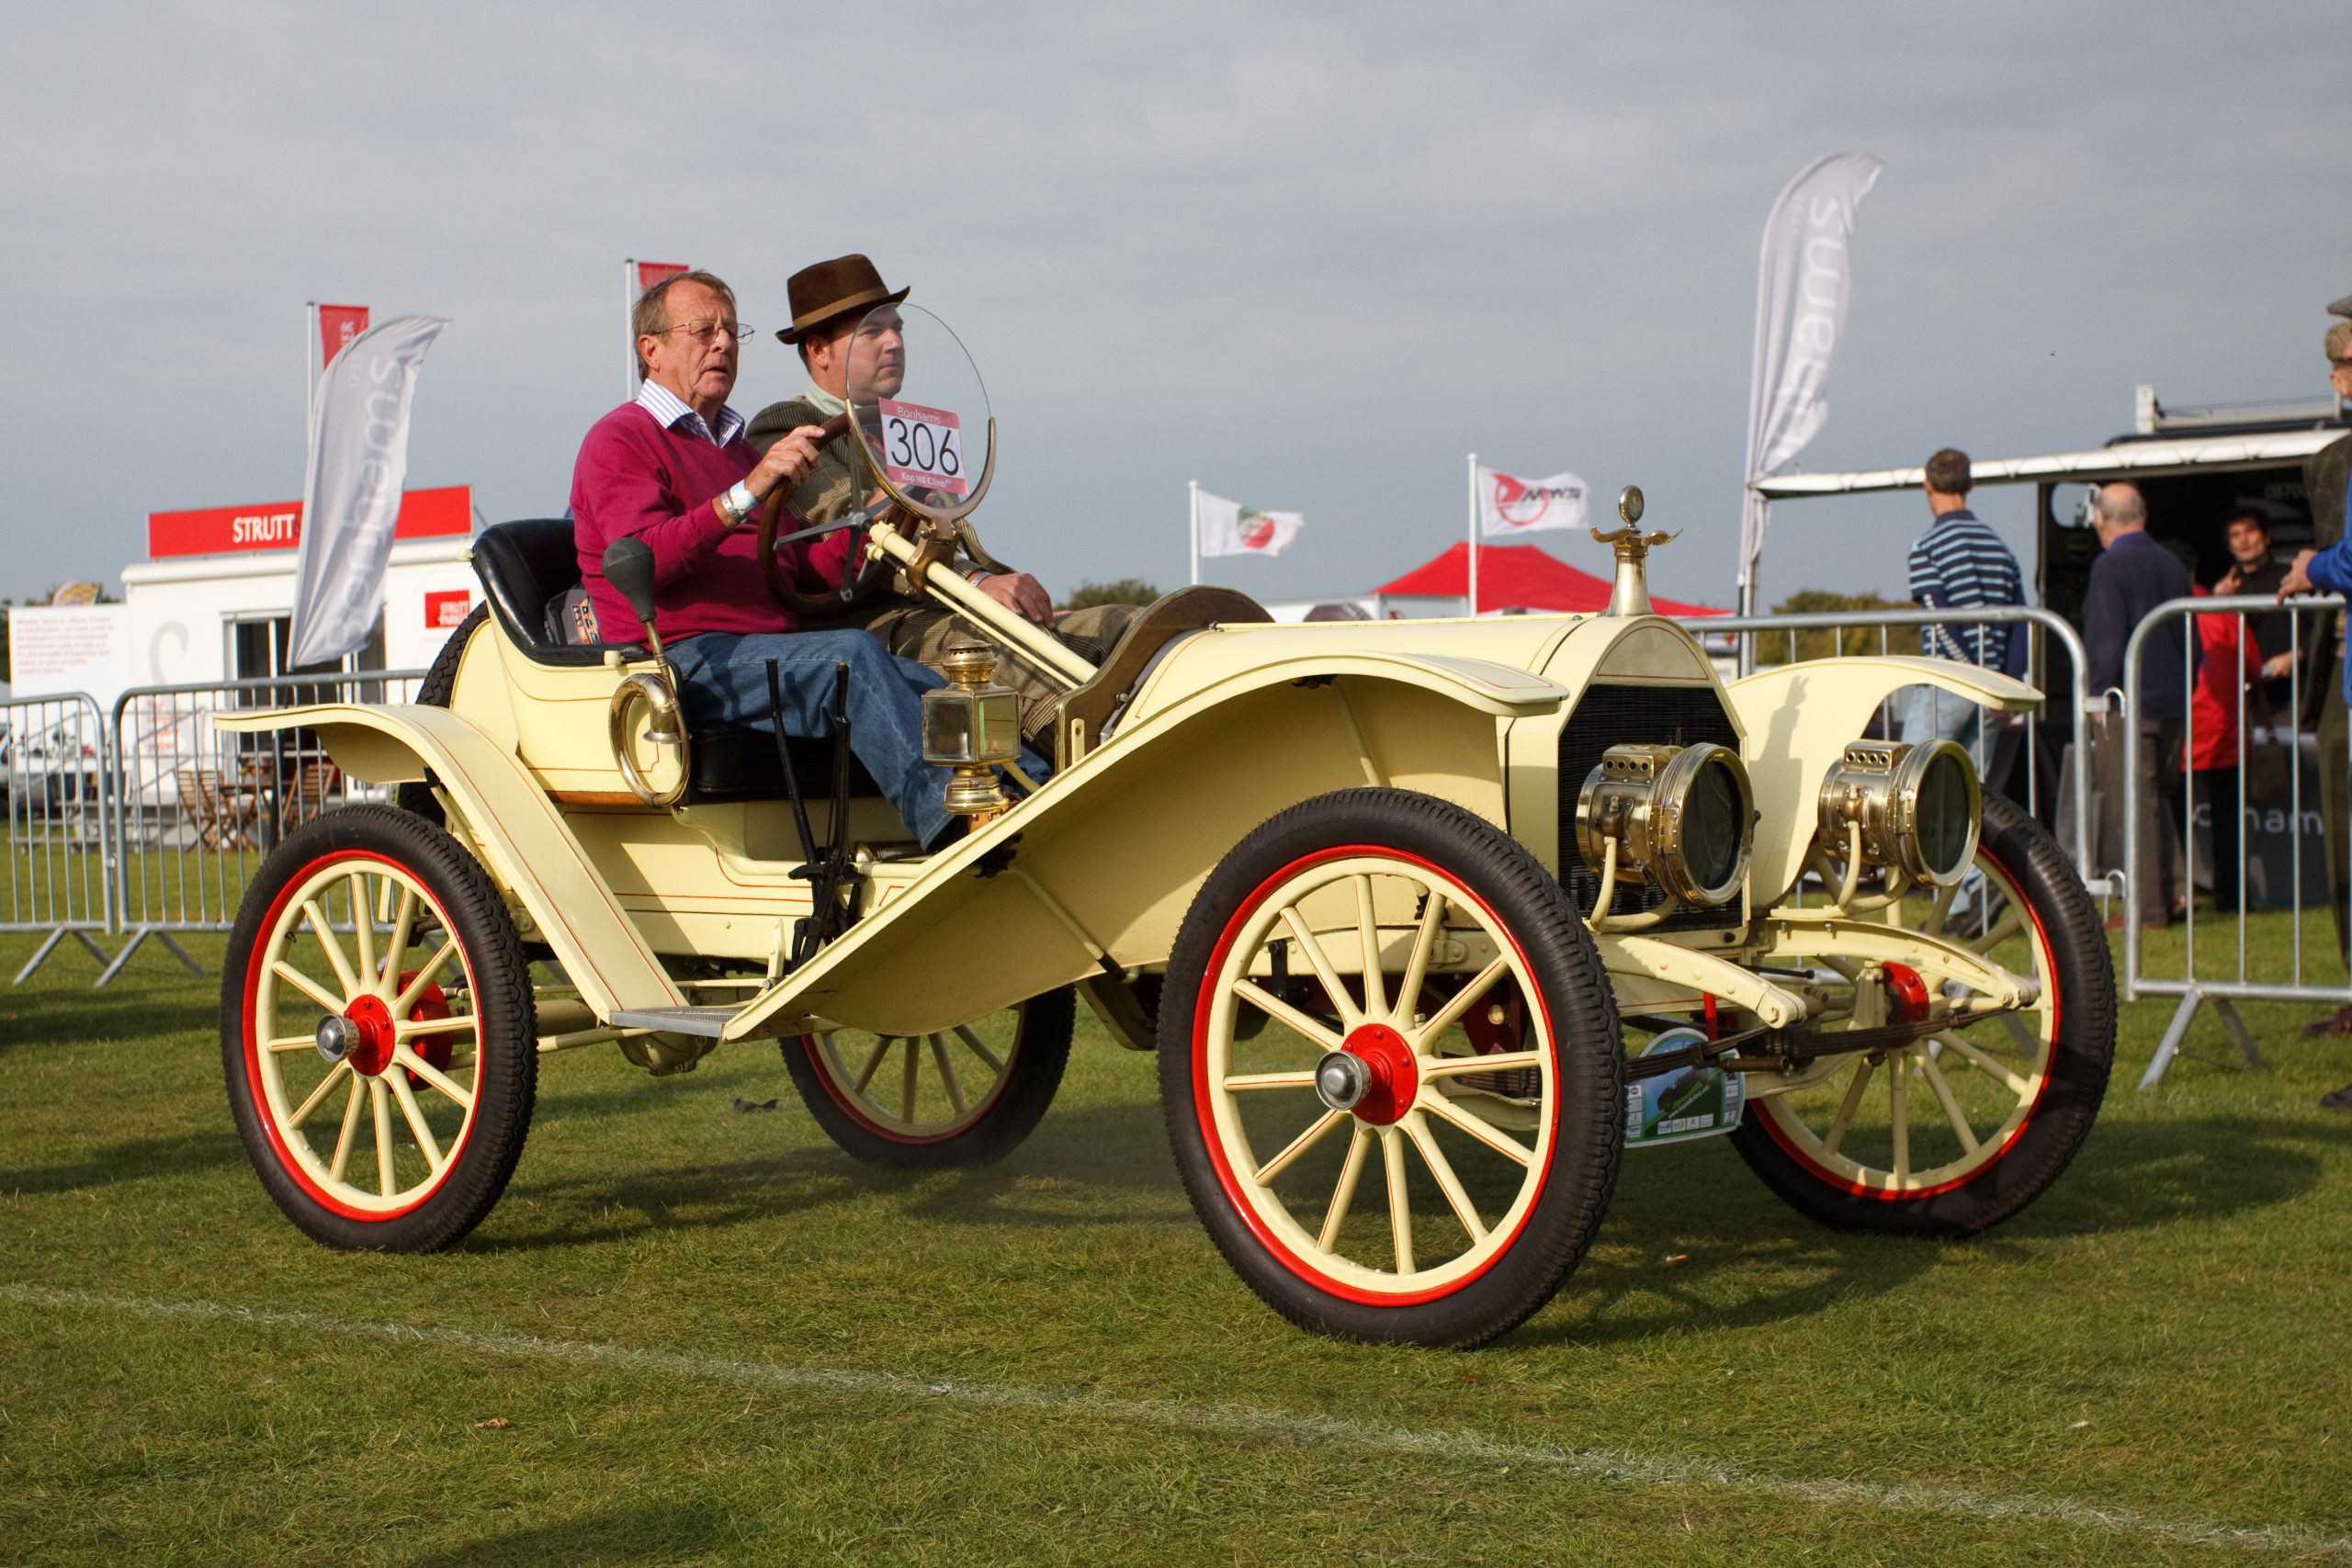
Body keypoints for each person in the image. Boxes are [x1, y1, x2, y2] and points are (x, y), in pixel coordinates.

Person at [570, 268, 1039, 853]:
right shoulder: (619, 439)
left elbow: (802, 570)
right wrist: (747, 491)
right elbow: (646, 558)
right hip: (676, 658)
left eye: (731, 332)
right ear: (652, 350)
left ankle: (1042, 802)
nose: (721, 344)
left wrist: (880, 515)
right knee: (851, 657)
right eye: (703, 331)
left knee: (945, 687)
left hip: (762, 650)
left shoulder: (734, 448)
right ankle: (960, 830)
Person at [747, 255, 1142, 753]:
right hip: (871, 626)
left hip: (953, 604)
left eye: (897, 329)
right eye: (872, 333)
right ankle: (1100, 781)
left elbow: (948, 535)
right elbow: (864, 539)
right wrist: (981, 588)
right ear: (818, 350)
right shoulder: (784, 427)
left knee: (1129, 629)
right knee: (1003, 655)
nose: (893, 343)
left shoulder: (903, 425)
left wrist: (1006, 595)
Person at [2083, 481, 2194, 931]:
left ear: (2100, 520)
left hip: (2128, 702)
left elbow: (2108, 640)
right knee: (2157, 802)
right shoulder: (2172, 563)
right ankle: (2175, 893)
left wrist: (2096, 691)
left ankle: (2147, 910)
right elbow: (2193, 638)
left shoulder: (2110, 566)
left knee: (2133, 804)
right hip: (2172, 700)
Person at [1903, 446, 2024, 763]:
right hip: (1993, 683)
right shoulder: (2000, 547)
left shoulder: (1926, 547)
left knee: (1910, 773)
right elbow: (2021, 620)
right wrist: (2005, 684)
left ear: (1927, 485)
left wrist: (1968, 672)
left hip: (1951, 679)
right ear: (1970, 485)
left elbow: (1938, 619)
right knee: (1974, 788)